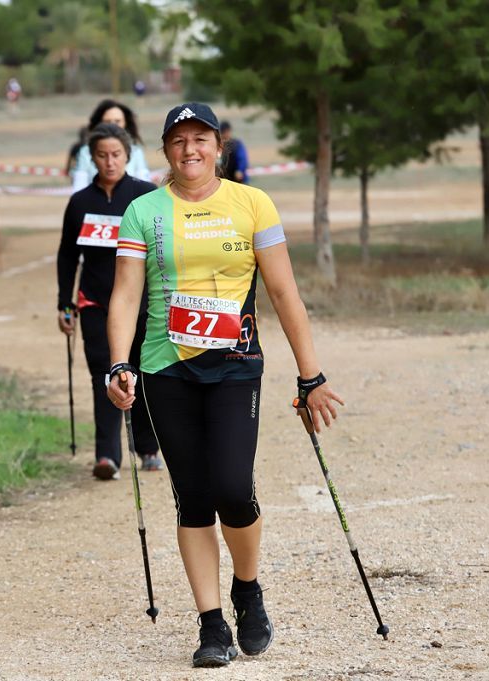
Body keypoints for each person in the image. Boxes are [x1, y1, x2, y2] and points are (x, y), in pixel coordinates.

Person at [105, 103, 344, 667]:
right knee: (193, 497)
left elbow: (285, 293)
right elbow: (125, 294)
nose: (191, 150)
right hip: (167, 367)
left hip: (236, 366)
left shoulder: (252, 203)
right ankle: (212, 626)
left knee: (234, 488)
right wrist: (119, 365)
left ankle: (248, 588)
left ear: (219, 146)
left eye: (201, 139)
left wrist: (311, 377)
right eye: (179, 140)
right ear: (165, 150)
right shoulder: (143, 211)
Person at [56, 123, 163, 480]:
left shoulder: (146, 197)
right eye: (101, 155)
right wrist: (64, 303)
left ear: (128, 156)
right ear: (92, 158)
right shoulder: (79, 203)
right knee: (104, 374)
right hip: (93, 303)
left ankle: (148, 446)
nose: (109, 161)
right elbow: (67, 257)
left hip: (142, 305)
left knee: (142, 373)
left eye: (116, 154)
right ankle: (107, 455)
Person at [71, 99, 150, 191]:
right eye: (107, 121)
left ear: (125, 123)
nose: (113, 126)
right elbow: (79, 188)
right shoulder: (85, 152)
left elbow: (144, 188)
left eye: (117, 121)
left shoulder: (136, 152)